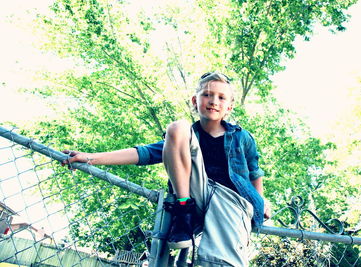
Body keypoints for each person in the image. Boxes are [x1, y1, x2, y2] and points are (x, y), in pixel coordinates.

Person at [62, 72, 271, 266]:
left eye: (221, 97)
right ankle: (183, 209)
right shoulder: (185, 138)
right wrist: (89, 158)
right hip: (193, 195)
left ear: (229, 107)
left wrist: (259, 203)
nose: (213, 101)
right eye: (207, 94)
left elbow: (254, 174)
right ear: (195, 101)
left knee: (221, 262)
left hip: (228, 202)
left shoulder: (242, 138)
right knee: (177, 127)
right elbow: (143, 153)